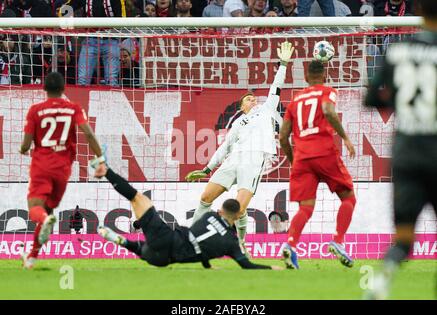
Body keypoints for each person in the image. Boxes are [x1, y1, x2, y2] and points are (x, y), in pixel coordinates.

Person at [185, 42, 294, 258]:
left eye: (254, 97)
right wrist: (207, 169)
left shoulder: (266, 109)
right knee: (206, 197)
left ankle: (241, 243)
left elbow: (276, 86)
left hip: (254, 160)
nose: (253, 100)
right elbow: (224, 147)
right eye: (248, 99)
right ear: (242, 107)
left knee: (239, 209)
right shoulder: (237, 123)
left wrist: (283, 64)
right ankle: (190, 239)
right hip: (233, 159)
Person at [364, 0, 437, 300]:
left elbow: (370, 98)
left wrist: (399, 104)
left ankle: (379, 286)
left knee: (403, 239)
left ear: (419, 12)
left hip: (405, 153)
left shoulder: (397, 51)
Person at [93, 162, 283, 270]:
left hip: (167, 238)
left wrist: (207, 265)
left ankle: (106, 172)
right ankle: (124, 243)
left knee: (137, 198)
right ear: (238, 215)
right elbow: (246, 265)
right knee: (149, 253)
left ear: (221, 211)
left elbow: (198, 236)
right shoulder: (232, 244)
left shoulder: (210, 217)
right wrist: (271, 268)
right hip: (164, 260)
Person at [19, 72, 104, 269]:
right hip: (63, 168)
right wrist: (99, 159)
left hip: (42, 165)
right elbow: (89, 134)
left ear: (44, 89)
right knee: (47, 209)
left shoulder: (35, 110)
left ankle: (45, 222)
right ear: (63, 88)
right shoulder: (73, 108)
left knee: (36, 209)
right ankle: (31, 258)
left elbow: (26, 143)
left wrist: (22, 149)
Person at [279, 60, 356, 270]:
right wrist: (345, 137)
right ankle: (338, 241)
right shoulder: (328, 91)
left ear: (305, 77)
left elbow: (283, 137)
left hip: (302, 158)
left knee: (305, 208)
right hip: (324, 152)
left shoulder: (295, 100)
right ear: (324, 76)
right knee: (348, 197)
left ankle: (290, 244)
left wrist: (295, 161)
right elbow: (328, 111)